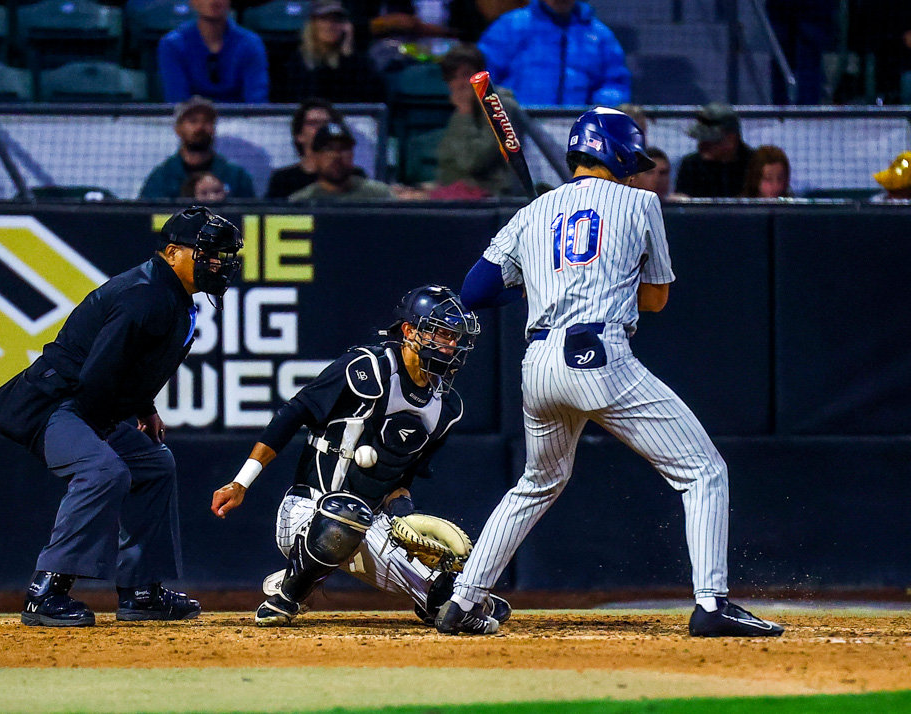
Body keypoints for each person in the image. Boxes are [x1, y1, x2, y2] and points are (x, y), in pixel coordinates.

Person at [436, 107, 784, 638]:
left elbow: (475, 291)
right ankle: (712, 604)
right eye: (631, 161)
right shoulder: (642, 203)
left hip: (538, 367)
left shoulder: (533, 212)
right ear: (615, 153)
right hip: (599, 356)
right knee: (703, 471)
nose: (635, 172)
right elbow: (657, 298)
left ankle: (464, 599)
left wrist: (537, 281)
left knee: (538, 481)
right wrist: (604, 275)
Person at [0, 206, 244, 627]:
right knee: (103, 471)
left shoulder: (170, 294)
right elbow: (97, 373)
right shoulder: (145, 294)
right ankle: (46, 592)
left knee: (154, 464)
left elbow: (138, 363)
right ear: (173, 252)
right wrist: (100, 432)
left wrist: (145, 408)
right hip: (55, 402)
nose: (216, 264)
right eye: (207, 254)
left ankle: (141, 591)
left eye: (220, 257)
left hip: (85, 403)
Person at [210, 285, 511, 627]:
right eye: (442, 333)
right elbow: (291, 416)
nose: (450, 345)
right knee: (344, 516)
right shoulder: (366, 368)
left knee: (457, 598)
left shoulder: (446, 408)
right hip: (308, 509)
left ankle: (421, 596)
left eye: (455, 338)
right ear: (410, 331)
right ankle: (289, 595)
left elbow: (401, 480)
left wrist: (405, 518)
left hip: (372, 523)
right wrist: (241, 482)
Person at [476, 0, 631, 107]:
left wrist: (598, 109)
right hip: (519, 128)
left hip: (579, 130)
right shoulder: (510, 26)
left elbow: (616, 83)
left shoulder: (600, 35)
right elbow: (483, 77)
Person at [430, 43, 520, 199]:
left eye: (466, 75)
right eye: (453, 77)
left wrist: (464, 113)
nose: (460, 84)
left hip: (491, 195)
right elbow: (448, 164)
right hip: (454, 192)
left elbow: (471, 162)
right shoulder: (461, 108)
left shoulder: (498, 106)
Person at [139, 96, 255, 200]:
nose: (200, 127)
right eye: (193, 121)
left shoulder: (236, 176)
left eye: (207, 121)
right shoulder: (162, 178)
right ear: (178, 129)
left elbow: (250, 213)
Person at [273, 0, 386, 103]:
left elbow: (370, 99)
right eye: (324, 19)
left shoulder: (358, 63)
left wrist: (347, 54)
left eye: (336, 20)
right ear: (313, 24)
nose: (330, 25)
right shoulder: (296, 62)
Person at [158, 0, 269, 103]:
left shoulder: (250, 43)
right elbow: (177, 101)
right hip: (191, 117)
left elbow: (256, 102)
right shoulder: (172, 45)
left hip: (240, 117)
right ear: (193, 1)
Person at [266, 99, 366, 199]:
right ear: (299, 135)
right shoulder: (283, 180)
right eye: (313, 123)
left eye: (326, 123)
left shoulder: (353, 176)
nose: (320, 128)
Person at [288, 122, 392, 201]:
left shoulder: (378, 195)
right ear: (316, 156)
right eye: (329, 149)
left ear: (352, 154)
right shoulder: (302, 201)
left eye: (343, 148)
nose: (336, 155)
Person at [675, 103, 755, 198]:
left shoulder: (755, 164)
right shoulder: (691, 165)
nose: (702, 145)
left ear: (732, 138)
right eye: (701, 139)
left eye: (711, 140)